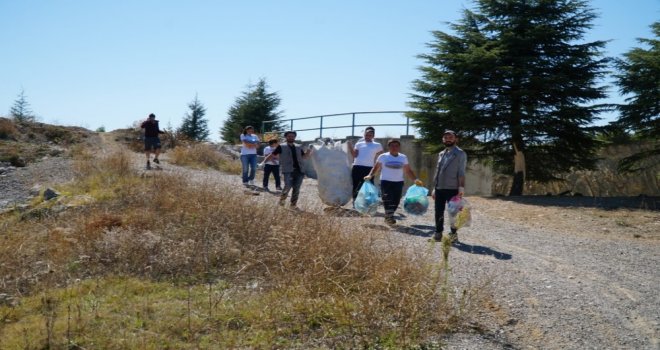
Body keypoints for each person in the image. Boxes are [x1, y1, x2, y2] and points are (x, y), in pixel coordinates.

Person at [364, 139, 422, 225]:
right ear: (389, 147)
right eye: (392, 146)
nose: (394, 147)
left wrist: (415, 180)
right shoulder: (383, 156)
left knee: (396, 201)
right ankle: (389, 217)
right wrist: (370, 175)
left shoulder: (403, 157)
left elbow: (408, 170)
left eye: (396, 146)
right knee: (387, 199)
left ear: (399, 147)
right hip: (385, 182)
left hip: (398, 182)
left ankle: (389, 215)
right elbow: (375, 168)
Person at [431, 130, 467, 242]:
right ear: (443, 140)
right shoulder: (441, 154)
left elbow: (461, 172)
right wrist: (434, 188)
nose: (448, 139)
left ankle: (453, 234)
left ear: (455, 139)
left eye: (450, 137)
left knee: (453, 212)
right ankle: (438, 234)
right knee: (438, 211)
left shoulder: (460, 153)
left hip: (453, 188)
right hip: (439, 188)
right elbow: (438, 171)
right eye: (446, 137)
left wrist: (461, 188)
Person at [262, 131, 311, 209]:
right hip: (288, 170)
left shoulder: (298, 146)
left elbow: (304, 157)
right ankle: (282, 200)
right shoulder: (281, 146)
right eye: (289, 136)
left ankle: (293, 205)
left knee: (296, 188)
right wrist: (263, 163)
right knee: (287, 186)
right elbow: (272, 155)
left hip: (300, 170)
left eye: (292, 136)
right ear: (286, 137)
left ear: (295, 137)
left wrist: (308, 152)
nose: (291, 138)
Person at [349, 126, 383, 202]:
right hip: (357, 167)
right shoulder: (359, 144)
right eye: (366, 135)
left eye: (370, 135)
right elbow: (355, 155)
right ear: (364, 135)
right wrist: (350, 147)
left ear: (373, 136)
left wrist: (377, 165)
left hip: (369, 168)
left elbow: (381, 156)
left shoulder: (377, 145)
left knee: (369, 185)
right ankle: (355, 202)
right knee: (356, 185)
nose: (368, 137)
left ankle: (367, 202)